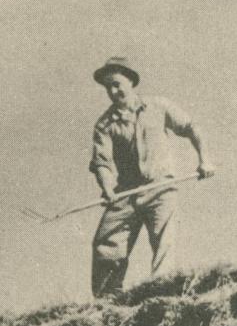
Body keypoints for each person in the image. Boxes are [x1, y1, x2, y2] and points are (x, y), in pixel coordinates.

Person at [89, 56, 214, 297]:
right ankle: (107, 304)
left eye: (116, 84)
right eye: (107, 88)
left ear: (131, 81)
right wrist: (107, 189)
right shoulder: (104, 125)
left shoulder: (158, 106)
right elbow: (101, 163)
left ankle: (161, 296)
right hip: (127, 193)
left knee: (163, 243)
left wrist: (204, 160)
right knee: (105, 244)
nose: (113, 92)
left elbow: (191, 128)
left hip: (161, 188)